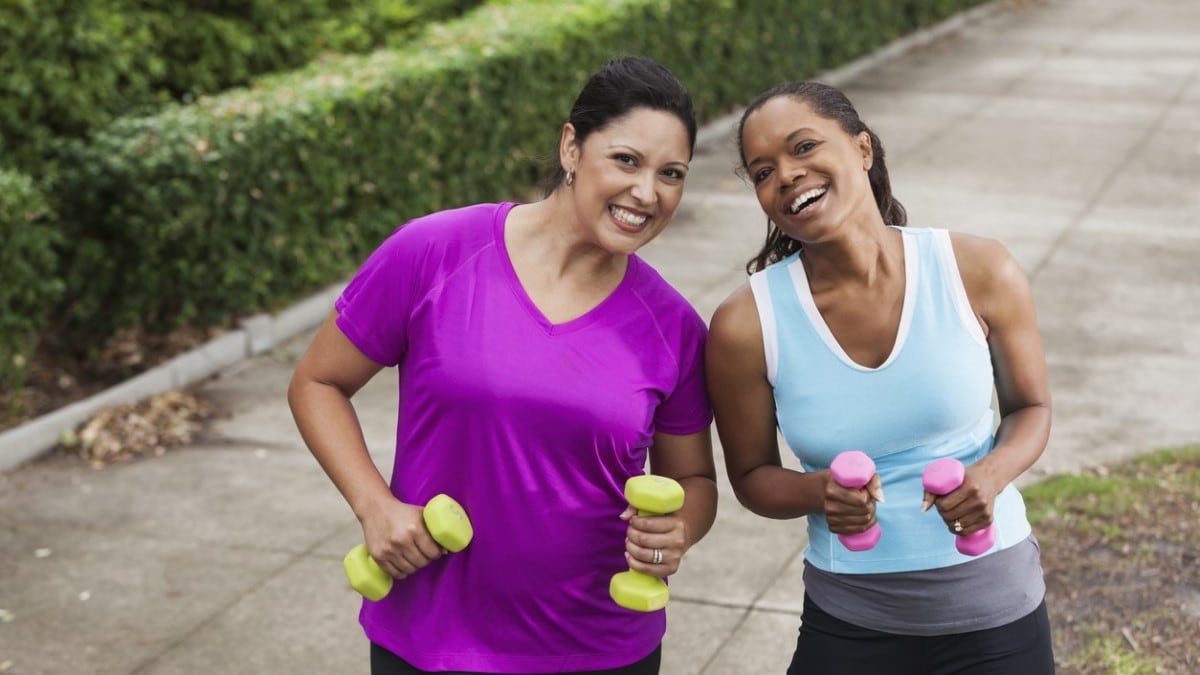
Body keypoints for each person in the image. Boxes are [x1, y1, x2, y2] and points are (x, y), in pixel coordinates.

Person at [287, 55, 718, 675]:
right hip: (430, 640)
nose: (647, 192)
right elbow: (317, 382)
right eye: (626, 160)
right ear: (571, 146)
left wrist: (679, 529)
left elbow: (695, 482)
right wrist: (374, 506)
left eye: (671, 173)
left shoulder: (673, 326)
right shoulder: (434, 252)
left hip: (599, 649)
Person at [705, 80, 1055, 674]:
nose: (786, 175)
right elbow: (751, 476)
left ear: (863, 149)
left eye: (804, 146)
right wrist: (820, 493)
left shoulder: (978, 270)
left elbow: (1032, 408)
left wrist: (990, 475)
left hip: (996, 612)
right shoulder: (746, 324)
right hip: (850, 623)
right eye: (762, 171)